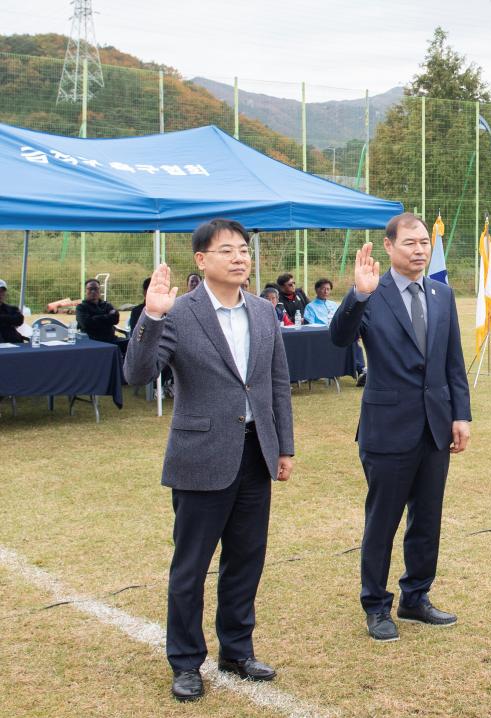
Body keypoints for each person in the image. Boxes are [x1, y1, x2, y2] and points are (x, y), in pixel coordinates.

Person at [124, 218, 295, 702]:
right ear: (201, 260)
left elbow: (275, 384)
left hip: (254, 453)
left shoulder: (264, 313)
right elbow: (137, 374)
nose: (240, 258)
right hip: (201, 456)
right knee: (191, 567)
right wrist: (152, 318)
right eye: (227, 251)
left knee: (245, 561)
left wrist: (284, 446)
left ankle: (237, 650)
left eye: (243, 250)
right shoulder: (179, 313)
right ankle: (185, 662)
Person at [329, 212, 472, 643]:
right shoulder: (374, 292)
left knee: (427, 519)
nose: (419, 250)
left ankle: (416, 596)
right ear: (389, 247)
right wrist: (357, 294)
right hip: (388, 428)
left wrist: (460, 415)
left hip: (434, 427)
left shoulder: (442, 294)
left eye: (424, 242)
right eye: (410, 243)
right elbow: (339, 337)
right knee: (383, 520)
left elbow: (453, 362)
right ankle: (375, 604)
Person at [305, 277, 366, 382]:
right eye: (323, 288)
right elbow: (310, 324)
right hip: (321, 337)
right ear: (316, 290)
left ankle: (362, 370)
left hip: (337, 333)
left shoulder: (334, 304)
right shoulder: (310, 307)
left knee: (353, 340)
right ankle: (360, 369)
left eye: (328, 289)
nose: (325, 291)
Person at [76, 278, 121, 342]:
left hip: (112, 340)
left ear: (99, 290)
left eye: (96, 289)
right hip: (92, 342)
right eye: (90, 289)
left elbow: (115, 320)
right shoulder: (81, 307)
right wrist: (108, 317)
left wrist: (94, 318)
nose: (93, 291)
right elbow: (86, 323)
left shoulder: (107, 305)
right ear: (85, 291)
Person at [0, 279, 28, 344]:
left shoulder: (11, 309)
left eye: (2, 291)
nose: (0, 294)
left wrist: (3, 318)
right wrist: (8, 319)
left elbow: (19, 320)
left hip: (13, 344)